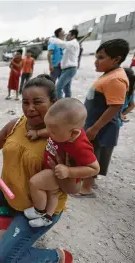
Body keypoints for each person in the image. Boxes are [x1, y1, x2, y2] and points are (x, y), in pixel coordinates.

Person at [0, 74, 75, 263]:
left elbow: (73, 189)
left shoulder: (62, 140)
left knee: (5, 257)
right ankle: (15, 216)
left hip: (39, 208)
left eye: (37, 102)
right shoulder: (16, 124)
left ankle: (57, 257)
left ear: (54, 102)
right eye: (25, 102)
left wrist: (64, 172)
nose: (30, 108)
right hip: (8, 191)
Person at [24, 98, 100, 228]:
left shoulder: (80, 146)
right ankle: (47, 217)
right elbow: (49, 130)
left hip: (60, 172)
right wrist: (38, 133)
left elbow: (94, 168)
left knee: (35, 183)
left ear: (74, 133)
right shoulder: (63, 130)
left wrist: (69, 171)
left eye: (53, 131)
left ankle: (39, 210)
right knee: (52, 193)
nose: (49, 132)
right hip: (55, 168)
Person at [77, 39, 130, 198]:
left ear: (116, 59)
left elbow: (114, 107)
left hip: (100, 127)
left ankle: (86, 188)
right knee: (92, 152)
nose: (96, 61)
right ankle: (89, 182)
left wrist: (95, 128)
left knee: (92, 155)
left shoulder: (116, 79)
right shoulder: (109, 74)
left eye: (101, 57)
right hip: (94, 124)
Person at [49, 29, 80, 99]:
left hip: (70, 69)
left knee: (58, 87)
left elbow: (62, 44)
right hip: (66, 69)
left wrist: (51, 39)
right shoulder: (70, 44)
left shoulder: (73, 43)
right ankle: (67, 104)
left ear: (73, 36)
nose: (67, 36)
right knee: (66, 88)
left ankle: (60, 104)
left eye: (68, 35)